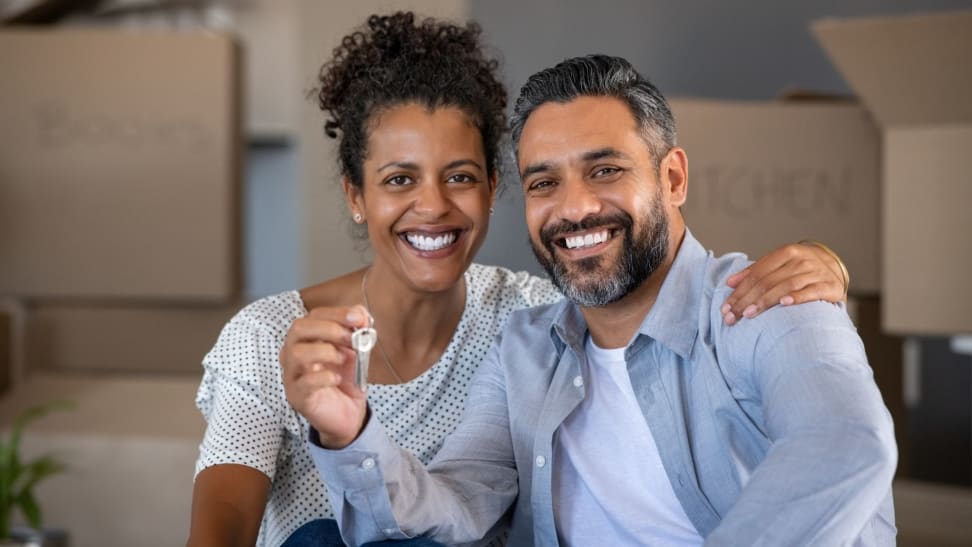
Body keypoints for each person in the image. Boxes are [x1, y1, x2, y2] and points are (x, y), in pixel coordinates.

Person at [187, 12, 852, 546]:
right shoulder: (272, 335)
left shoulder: (531, 317)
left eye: (461, 176)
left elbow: (639, 267)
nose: (433, 206)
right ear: (356, 195)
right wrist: (345, 431)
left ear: (494, 188)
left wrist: (824, 262)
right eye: (398, 180)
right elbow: (219, 529)